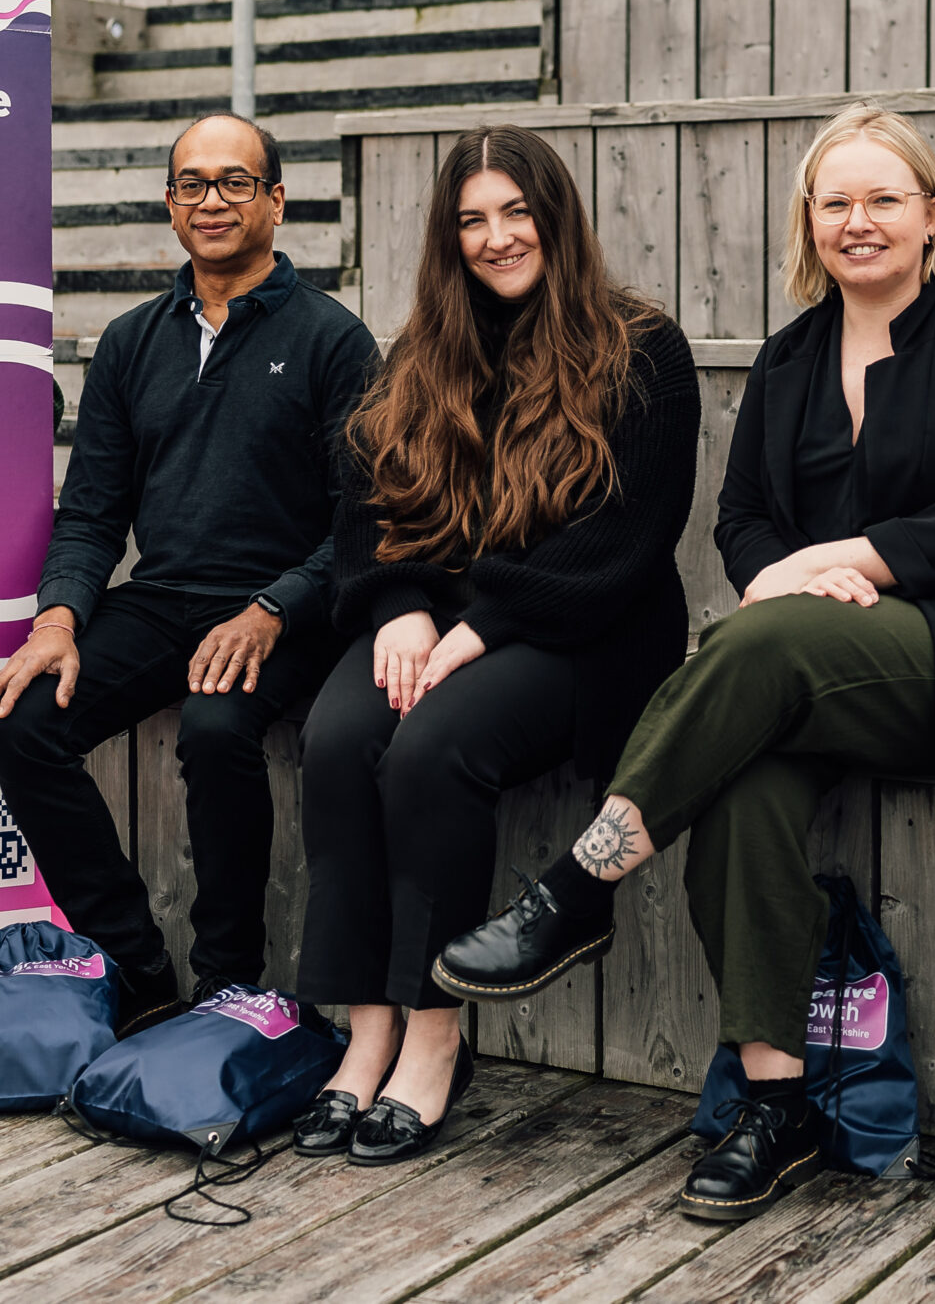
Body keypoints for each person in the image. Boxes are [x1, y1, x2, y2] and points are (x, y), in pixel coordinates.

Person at [433, 103, 935, 1223]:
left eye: (883, 199)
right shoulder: (785, 363)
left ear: (930, 213)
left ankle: (581, 886)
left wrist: (831, 568)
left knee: (753, 634)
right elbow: (741, 523)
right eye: (836, 203)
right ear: (808, 223)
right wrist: (794, 579)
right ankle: (777, 1103)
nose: (858, 222)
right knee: (740, 783)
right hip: (807, 654)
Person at [290, 125, 698, 1167]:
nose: (496, 236)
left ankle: (432, 1035)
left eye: (516, 212)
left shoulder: (639, 346)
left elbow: (623, 535)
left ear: (554, 218)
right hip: (442, 615)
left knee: (431, 749)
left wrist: (479, 624)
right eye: (472, 219)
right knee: (341, 737)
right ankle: (364, 1026)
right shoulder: (422, 353)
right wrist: (400, 607)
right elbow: (368, 511)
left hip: (581, 626)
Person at [0, 113, 376, 1034]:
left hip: (290, 605)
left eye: (235, 181)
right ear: (169, 204)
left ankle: (228, 981)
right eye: (192, 183)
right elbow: (91, 510)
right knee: (24, 719)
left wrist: (274, 608)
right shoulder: (129, 341)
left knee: (217, 722)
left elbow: (366, 520)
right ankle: (135, 963)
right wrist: (60, 619)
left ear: (277, 202)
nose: (212, 200)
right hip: (162, 601)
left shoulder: (333, 341)